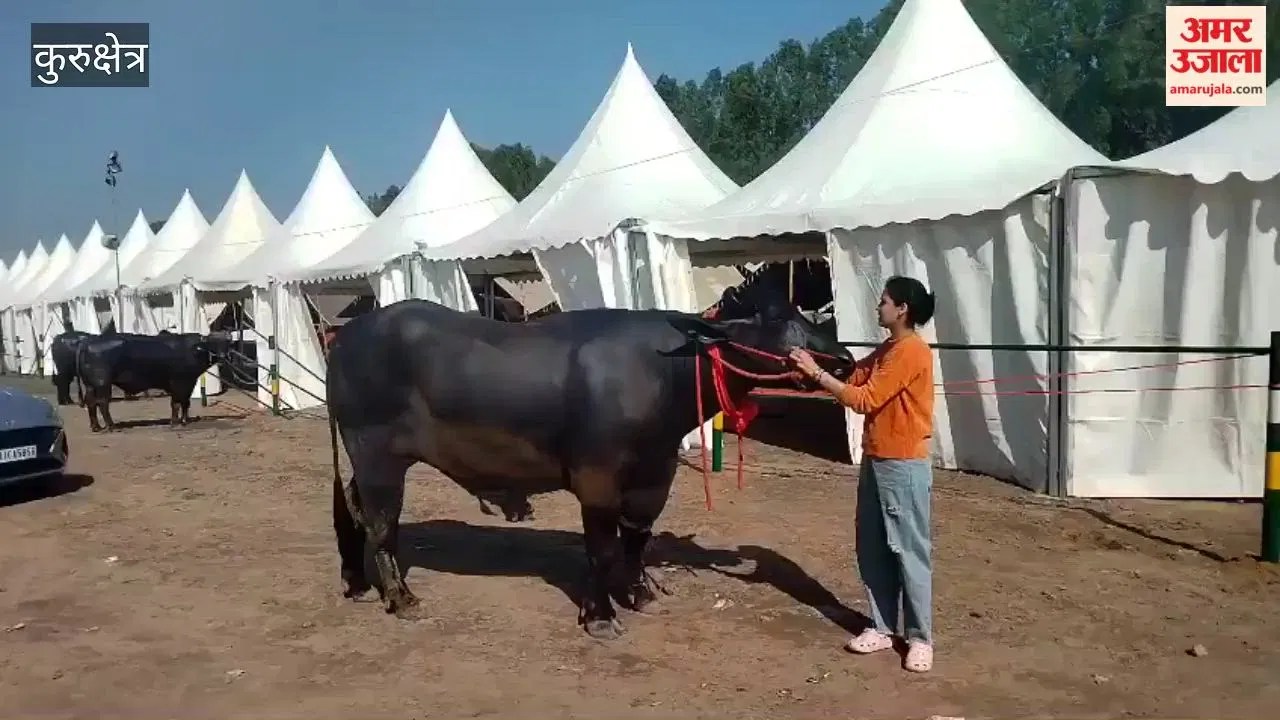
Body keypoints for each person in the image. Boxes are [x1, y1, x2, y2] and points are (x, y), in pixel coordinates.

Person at [788, 275, 937, 673]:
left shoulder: (911, 351)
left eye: (884, 301)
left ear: (902, 309)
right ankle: (884, 627)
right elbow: (855, 375)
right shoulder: (888, 348)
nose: (878, 307)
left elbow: (864, 398)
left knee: (909, 552)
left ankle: (920, 638)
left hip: (903, 464)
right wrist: (813, 362)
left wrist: (818, 375)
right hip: (876, 459)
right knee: (872, 547)